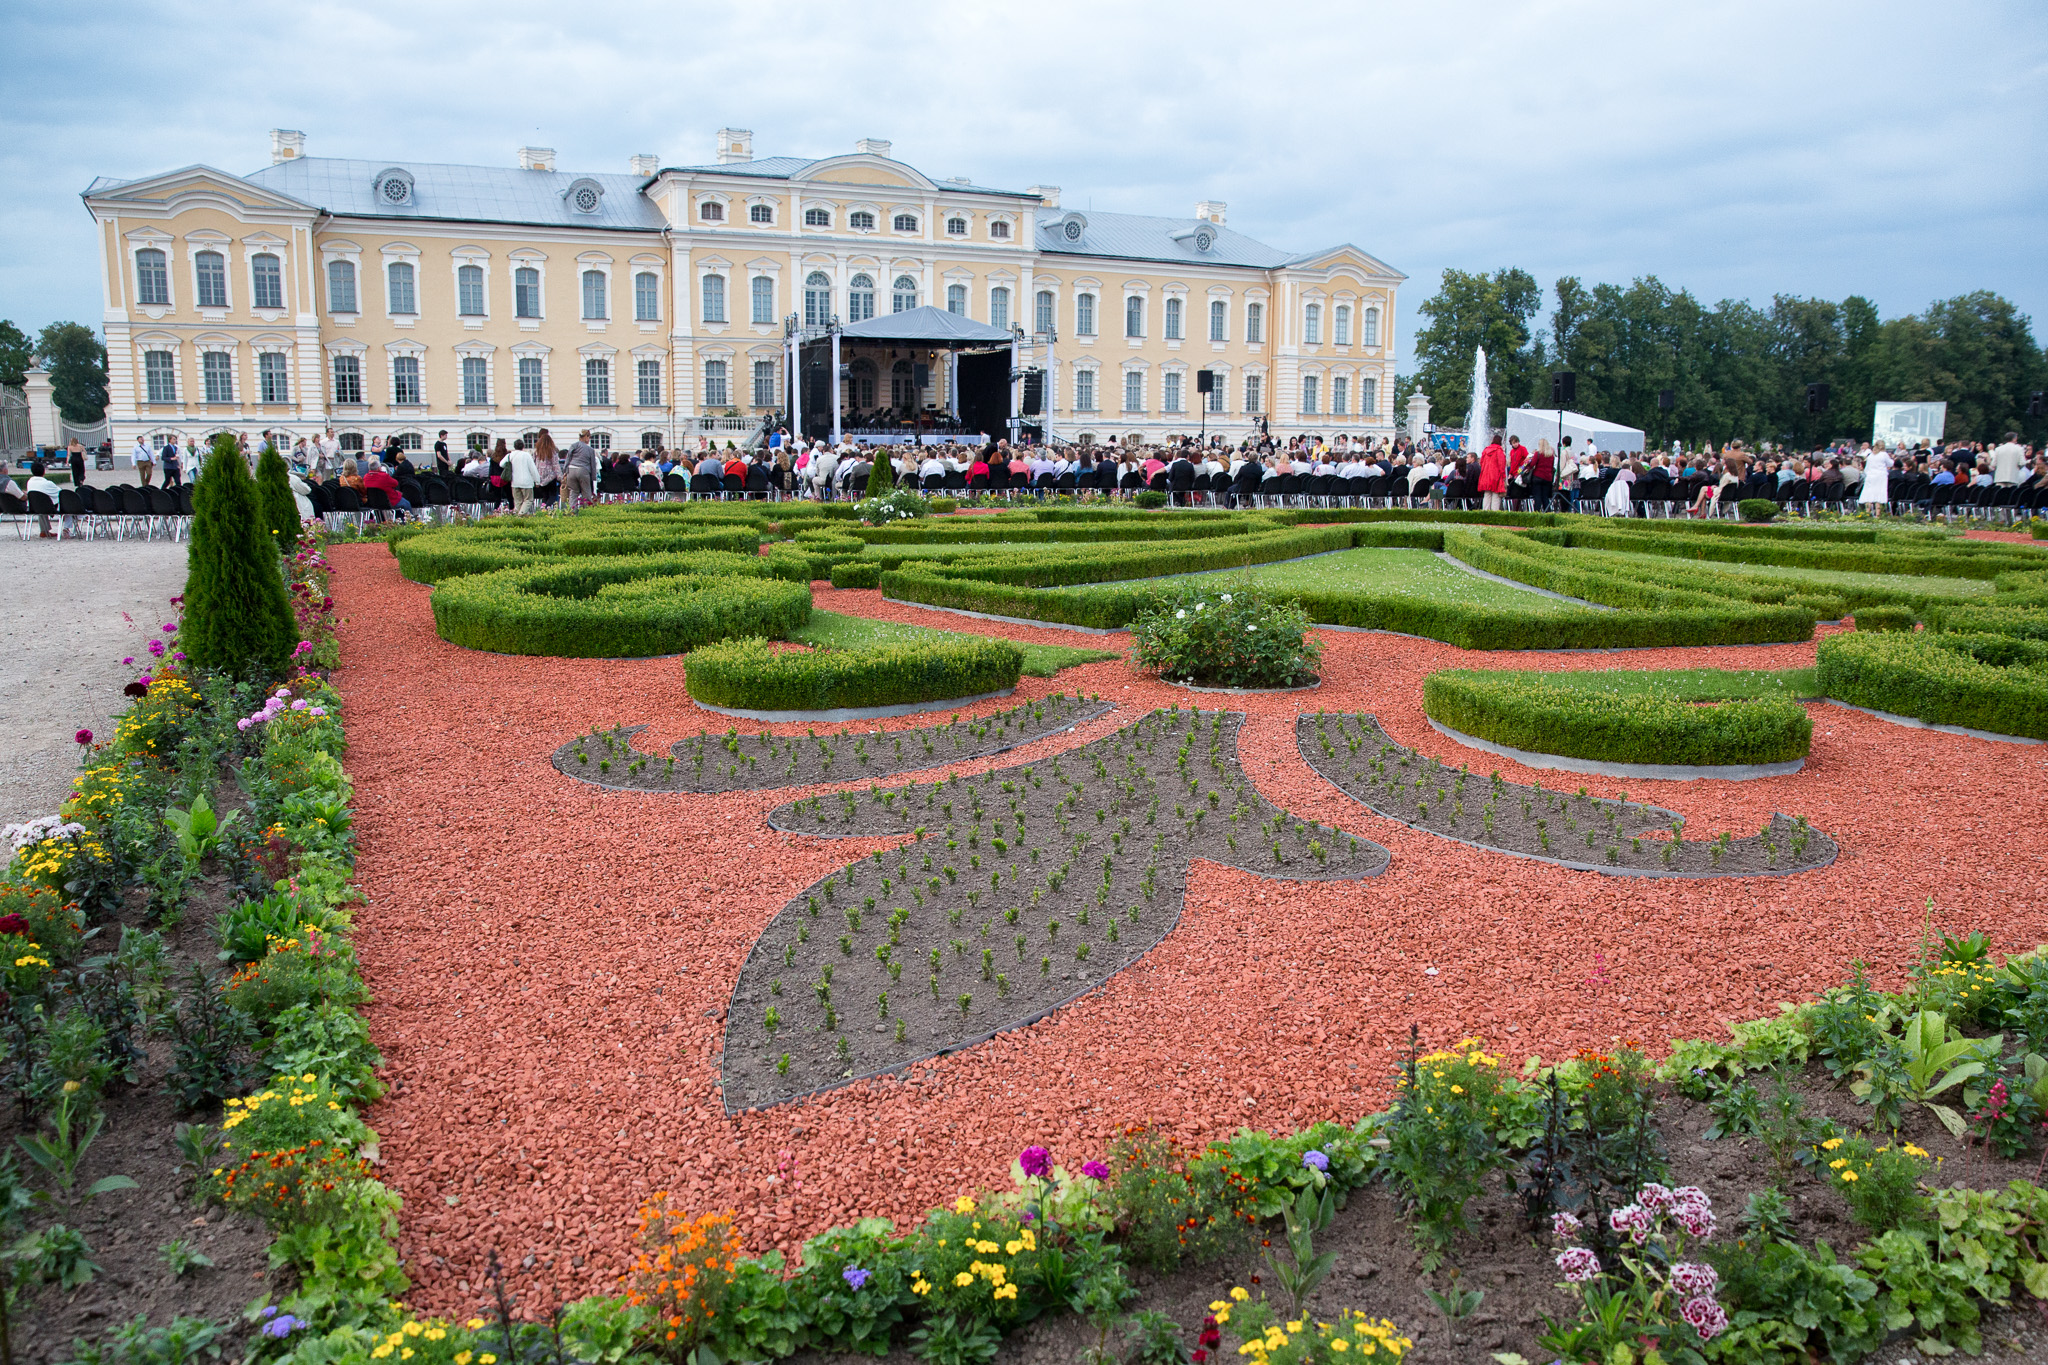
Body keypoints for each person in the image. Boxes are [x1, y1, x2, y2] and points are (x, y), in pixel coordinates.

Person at [23, 461, 64, 537]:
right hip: (49, 507)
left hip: (35, 507)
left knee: (40, 503)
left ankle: (44, 531)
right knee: (64, 502)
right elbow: (60, 492)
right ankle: (66, 529)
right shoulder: (47, 483)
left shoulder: (29, 482)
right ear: (44, 471)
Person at [561, 431, 598, 507]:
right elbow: (593, 465)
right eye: (589, 437)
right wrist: (593, 478)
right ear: (586, 437)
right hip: (583, 470)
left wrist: (565, 471)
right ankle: (586, 511)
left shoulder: (573, 446)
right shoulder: (590, 449)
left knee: (573, 492)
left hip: (571, 470)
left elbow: (568, 459)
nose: (589, 440)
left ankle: (572, 511)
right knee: (586, 492)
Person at [507, 439, 540, 514]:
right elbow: (533, 469)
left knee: (518, 502)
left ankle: (518, 519)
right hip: (526, 482)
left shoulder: (510, 455)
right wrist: (537, 481)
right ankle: (520, 514)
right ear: (523, 446)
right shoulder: (527, 455)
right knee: (528, 500)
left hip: (514, 482)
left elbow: (501, 464)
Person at [1859, 442, 1893, 514]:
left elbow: (1866, 468)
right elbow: (1890, 463)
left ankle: (1867, 512)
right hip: (1880, 476)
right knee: (1879, 494)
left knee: (1868, 494)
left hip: (1870, 476)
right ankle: (1878, 513)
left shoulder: (1870, 455)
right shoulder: (1884, 454)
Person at [1477, 431, 1507, 511]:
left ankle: (1485, 513)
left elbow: (1481, 463)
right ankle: (1494, 514)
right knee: (1496, 496)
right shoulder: (1499, 451)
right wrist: (1503, 477)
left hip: (1486, 476)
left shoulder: (1486, 450)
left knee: (1487, 495)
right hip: (1496, 476)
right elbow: (1502, 465)